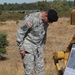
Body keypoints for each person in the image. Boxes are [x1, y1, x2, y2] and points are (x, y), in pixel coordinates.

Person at [16, 9, 58, 75]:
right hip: (28, 48)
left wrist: (43, 43)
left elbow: (43, 33)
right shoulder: (31, 19)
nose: (49, 23)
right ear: (45, 15)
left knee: (40, 70)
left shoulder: (45, 21)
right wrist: (21, 48)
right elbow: (20, 32)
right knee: (29, 71)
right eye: (49, 21)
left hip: (38, 48)